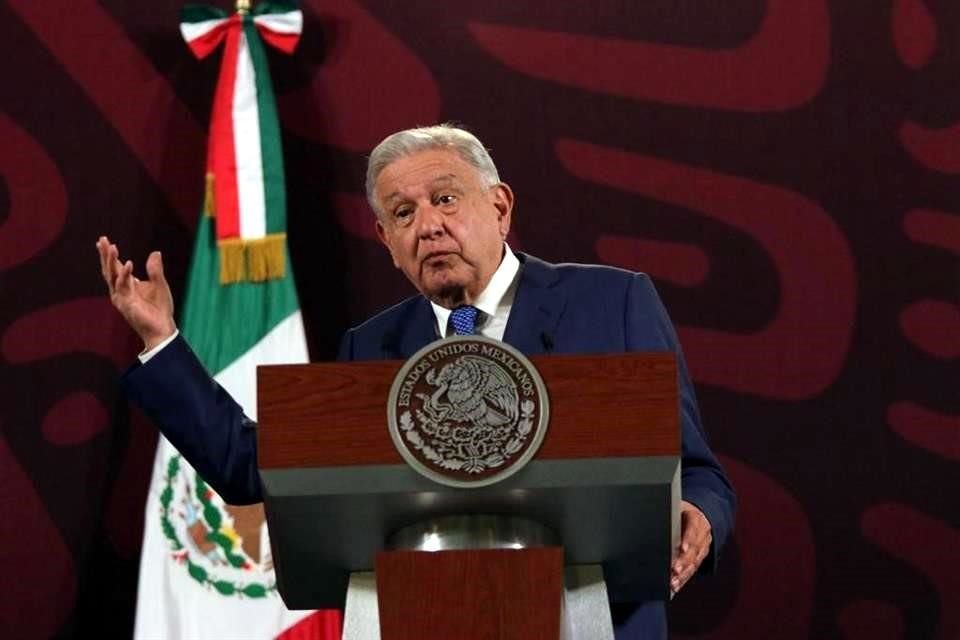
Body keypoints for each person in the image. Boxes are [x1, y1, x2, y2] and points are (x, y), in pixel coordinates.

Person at [97, 124, 735, 639]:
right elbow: (251, 467)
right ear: (387, 239)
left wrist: (699, 514)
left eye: (446, 198)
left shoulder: (612, 301)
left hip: (596, 618)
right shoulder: (369, 348)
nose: (427, 224)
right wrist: (162, 342)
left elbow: (698, 471)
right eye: (403, 213)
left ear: (500, 206)